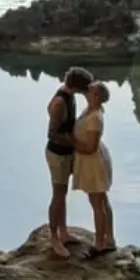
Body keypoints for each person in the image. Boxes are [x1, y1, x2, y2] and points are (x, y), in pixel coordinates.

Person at [46, 66, 94, 259]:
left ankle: (64, 232)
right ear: (77, 87)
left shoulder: (69, 96)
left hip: (67, 153)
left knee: (63, 194)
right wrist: (77, 143)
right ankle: (54, 238)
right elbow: (52, 134)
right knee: (58, 195)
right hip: (57, 154)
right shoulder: (59, 102)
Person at [73, 80, 116, 256]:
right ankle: (109, 238)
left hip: (93, 162)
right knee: (102, 200)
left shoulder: (95, 118)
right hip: (92, 160)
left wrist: (70, 143)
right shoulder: (89, 111)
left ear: (97, 96)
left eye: (90, 90)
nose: (87, 90)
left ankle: (100, 243)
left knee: (97, 202)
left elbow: (90, 147)